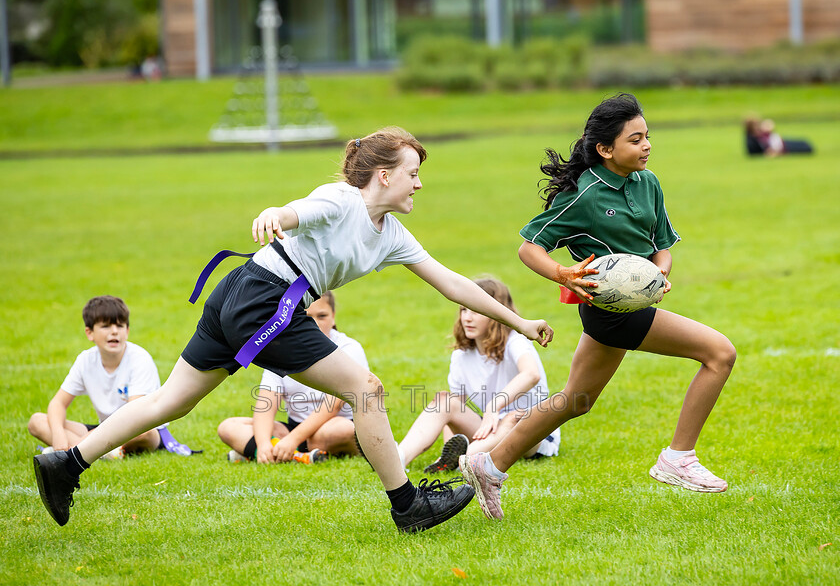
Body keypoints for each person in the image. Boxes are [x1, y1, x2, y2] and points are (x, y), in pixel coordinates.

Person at [33, 126, 554, 533]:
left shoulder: (391, 233)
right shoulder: (343, 199)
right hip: (264, 299)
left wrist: (521, 323)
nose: (419, 183)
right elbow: (295, 210)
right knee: (365, 389)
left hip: (243, 293)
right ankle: (407, 505)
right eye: (412, 172)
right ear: (384, 175)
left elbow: (454, 284)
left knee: (172, 401)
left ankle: (67, 462)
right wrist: (272, 213)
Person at [460, 94, 737, 520]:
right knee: (719, 353)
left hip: (630, 308)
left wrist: (658, 274)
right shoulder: (583, 195)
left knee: (576, 399)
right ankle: (678, 458)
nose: (646, 146)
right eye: (635, 139)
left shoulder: (649, 183)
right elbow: (529, 247)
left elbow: (662, 244)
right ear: (606, 149)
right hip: (609, 312)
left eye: (647, 137)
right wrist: (562, 273)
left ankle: (489, 463)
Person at [396, 277, 560, 474]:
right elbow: (455, 411)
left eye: (475, 311)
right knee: (445, 401)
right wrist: (450, 444)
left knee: (513, 417)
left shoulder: (515, 341)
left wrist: (494, 405)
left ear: (496, 313)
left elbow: (531, 374)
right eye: (464, 310)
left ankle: (458, 464)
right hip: (489, 429)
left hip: (532, 434)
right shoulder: (461, 355)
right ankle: (397, 459)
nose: (467, 318)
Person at [218, 291, 363, 463]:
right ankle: (296, 456)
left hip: (330, 427)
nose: (315, 324)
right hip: (292, 429)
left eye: (322, 316)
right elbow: (266, 405)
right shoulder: (280, 351)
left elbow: (332, 406)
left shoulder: (349, 349)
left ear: (333, 316)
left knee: (345, 430)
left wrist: (292, 440)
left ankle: (265, 452)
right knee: (228, 428)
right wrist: (263, 442)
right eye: (307, 317)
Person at [27, 296, 163, 459]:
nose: (114, 331)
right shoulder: (86, 360)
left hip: (135, 427)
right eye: (105, 326)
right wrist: (58, 438)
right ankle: (103, 451)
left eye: (120, 326)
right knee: (37, 421)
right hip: (103, 429)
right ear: (89, 333)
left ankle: (78, 451)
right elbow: (58, 403)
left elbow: (134, 414)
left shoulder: (140, 358)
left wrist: (79, 444)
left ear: (127, 331)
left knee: (146, 433)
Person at [744, 115, 813, 157]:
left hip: (782, 143)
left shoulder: (761, 133)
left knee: (804, 143)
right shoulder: (753, 140)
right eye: (755, 125)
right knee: (806, 147)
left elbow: (770, 124)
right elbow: (765, 152)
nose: (758, 127)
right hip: (782, 148)